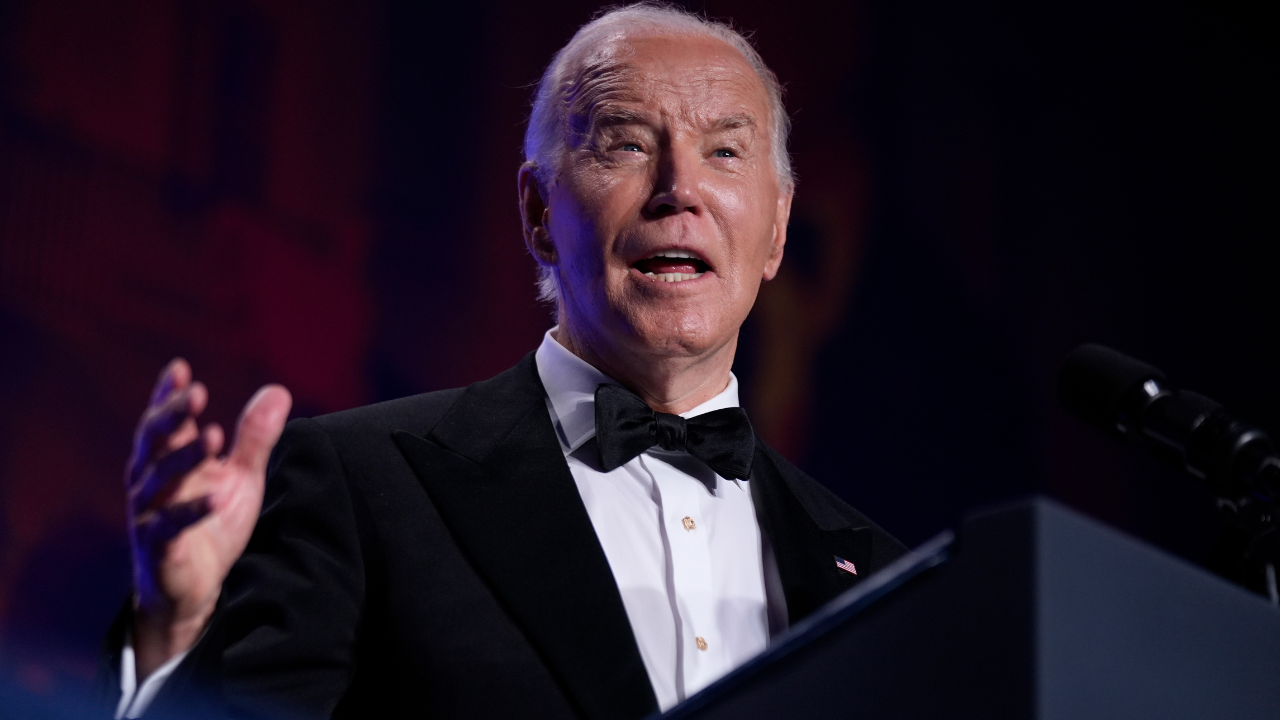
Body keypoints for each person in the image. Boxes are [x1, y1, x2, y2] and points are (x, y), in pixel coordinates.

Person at [107, 4, 905, 719]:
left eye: (725, 152)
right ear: (537, 213)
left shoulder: (876, 572)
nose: (678, 190)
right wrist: (177, 628)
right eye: (627, 143)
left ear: (775, 230)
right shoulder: (361, 484)